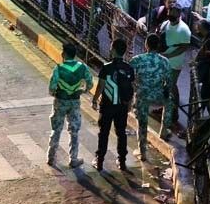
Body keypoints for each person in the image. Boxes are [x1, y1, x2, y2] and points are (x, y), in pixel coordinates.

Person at [47, 43, 94, 168]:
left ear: (64, 54)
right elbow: (90, 83)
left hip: (60, 101)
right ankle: (73, 159)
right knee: (74, 131)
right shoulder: (82, 67)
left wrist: (54, 93)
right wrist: (83, 90)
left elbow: (52, 87)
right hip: (74, 102)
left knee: (56, 129)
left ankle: (51, 157)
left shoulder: (59, 68)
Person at [92, 38, 135, 172]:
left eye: (111, 47)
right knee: (121, 133)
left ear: (114, 49)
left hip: (107, 106)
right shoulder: (128, 68)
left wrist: (94, 99)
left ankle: (100, 161)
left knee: (103, 132)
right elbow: (132, 87)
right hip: (122, 106)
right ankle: (122, 162)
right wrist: (129, 104)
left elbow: (101, 86)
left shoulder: (106, 68)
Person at [130, 34, 173, 160]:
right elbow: (169, 83)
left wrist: (135, 90)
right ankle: (164, 130)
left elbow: (129, 78)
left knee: (142, 124)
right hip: (158, 94)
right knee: (170, 101)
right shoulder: (165, 61)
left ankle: (142, 152)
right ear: (158, 45)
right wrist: (165, 91)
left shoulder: (137, 60)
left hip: (142, 95)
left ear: (146, 45)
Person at [159, 6, 191, 129]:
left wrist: (169, 55)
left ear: (179, 14)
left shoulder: (184, 30)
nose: (169, 14)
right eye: (169, 12)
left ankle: (174, 112)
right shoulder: (166, 23)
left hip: (174, 63)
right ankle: (164, 107)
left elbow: (184, 47)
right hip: (164, 60)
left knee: (171, 86)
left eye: (172, 13)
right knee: (165, 85)